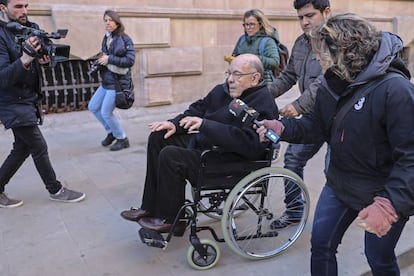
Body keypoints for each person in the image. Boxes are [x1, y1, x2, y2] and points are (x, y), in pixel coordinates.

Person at [257, 13, 414, 275]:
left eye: (322, 52)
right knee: (321, 246)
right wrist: (282, 128)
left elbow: (411, 157)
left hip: (381, 193)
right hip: (339, 184)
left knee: (379, 259)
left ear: (344, 50)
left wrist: (389, 204)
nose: (317, 59)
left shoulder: (396, 90)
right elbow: (316, 126)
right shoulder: (332, 83)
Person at [120, 53, 278, 234]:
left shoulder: (264, 102)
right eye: (229, 73)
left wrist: (206, 125)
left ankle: (173, 220)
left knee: (171, 156)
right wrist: (174, 123)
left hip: (232, 161)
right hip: (209, 146)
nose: (230, 79)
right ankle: (150, 206)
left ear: (255, 77)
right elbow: (199, 108)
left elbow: (250, 145)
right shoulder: (225, 90)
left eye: (237, 75)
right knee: (159, 137)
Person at [0, 0, 85, 208]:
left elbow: (41, 62)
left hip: (29, 99)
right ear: (3, 8)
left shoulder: (32, 29)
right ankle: (55, 189)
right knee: (38, 145)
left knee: (22, 148)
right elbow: (2, 78)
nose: (24, 11)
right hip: (11, 102)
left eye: (26, 6)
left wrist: (44, 62)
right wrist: (25, 59)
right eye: (18, 6)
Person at [266, 0, 331, 229]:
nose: (304, 22)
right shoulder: (302, 43)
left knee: (334, 170)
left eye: (310, 15)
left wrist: (297, 106)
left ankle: (349, 212)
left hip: (342, 117)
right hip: (313, 116)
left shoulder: (338, 40)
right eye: (300, 17)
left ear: (326, 12)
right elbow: (288, 76)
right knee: (293, 158)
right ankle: (294, 212)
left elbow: (326, 81)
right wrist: (261, 94)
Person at [88, 10, 135, 151]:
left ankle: (122, 138)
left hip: (117, 83)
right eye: (105, 20)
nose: (107, 23)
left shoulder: (125, 39)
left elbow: (130, 60)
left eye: (110, 20)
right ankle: (112, 132)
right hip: (107, 81)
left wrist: (109, 59)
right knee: (93, 107)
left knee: (106, 112)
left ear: (117, 22)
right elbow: (106, 54)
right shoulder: (107, 37)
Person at [227, 9, 280, 84]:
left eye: (252, 24)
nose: (248, 27)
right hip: (242, 83)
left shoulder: (267, 41)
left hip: (262, 84)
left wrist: (252, 59)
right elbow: (234, 56)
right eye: (246, 24)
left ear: (260, 24)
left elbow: (274, 62)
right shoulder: (242, 39)